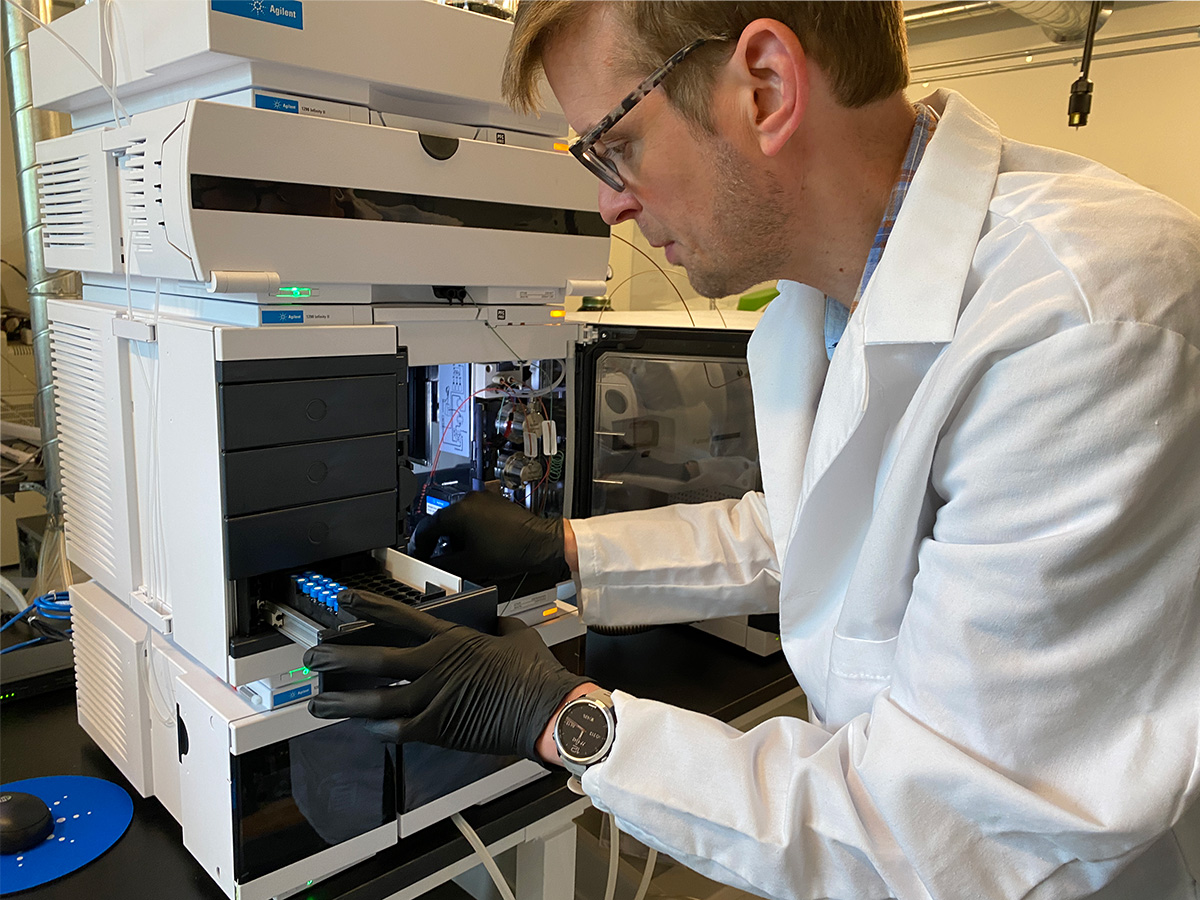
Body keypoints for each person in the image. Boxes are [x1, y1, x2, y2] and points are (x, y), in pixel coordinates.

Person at [305, 3, 1200, 897]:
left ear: (765, 86)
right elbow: (811, 531)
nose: (611, 203)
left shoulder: (1084, 324)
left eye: (613, 146)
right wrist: (569, 550)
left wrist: (561, 717)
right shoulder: (826, 306)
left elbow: (943, 834)